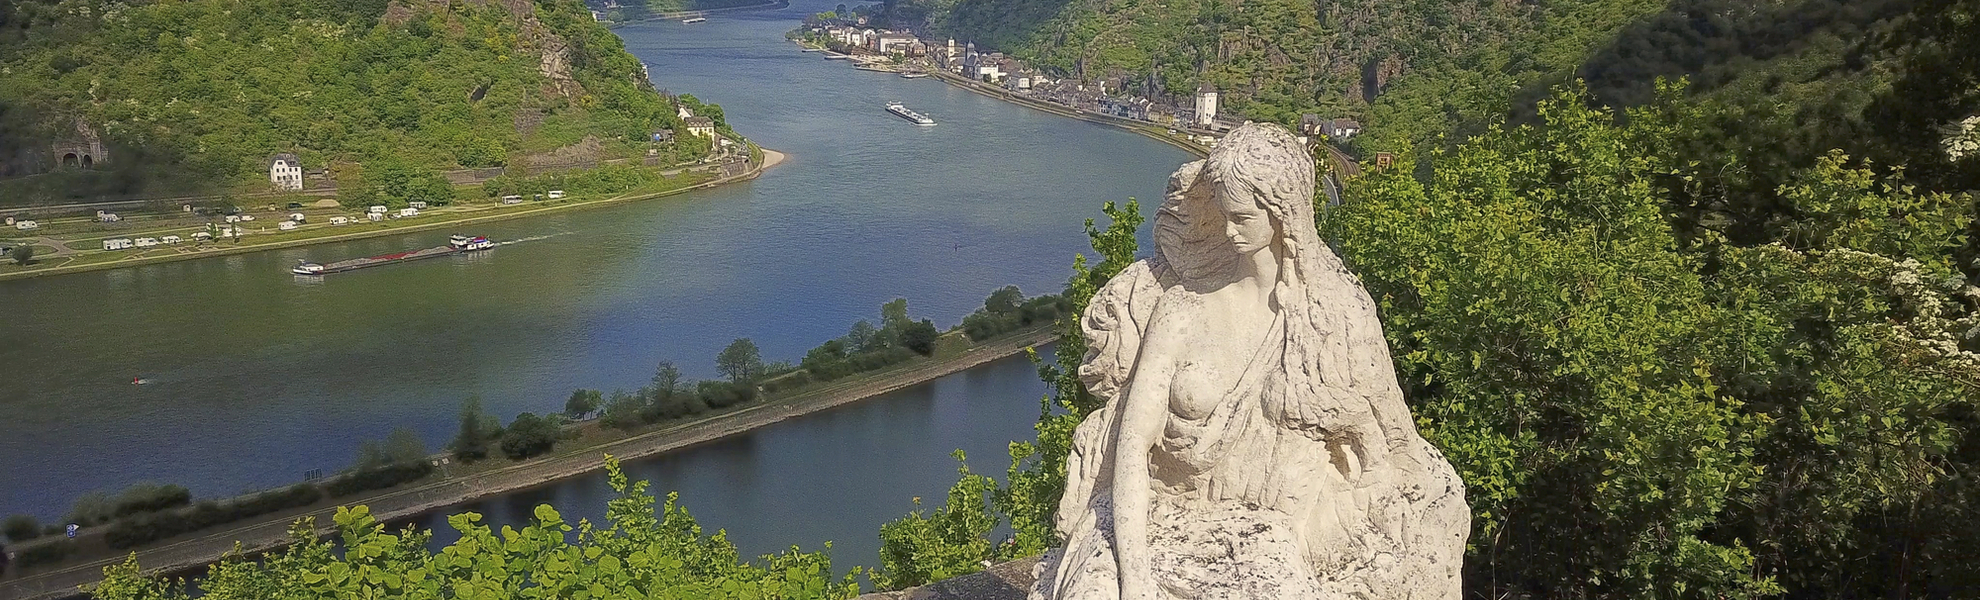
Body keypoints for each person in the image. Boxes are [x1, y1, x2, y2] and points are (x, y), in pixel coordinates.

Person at [1033, 124, 1469, 599]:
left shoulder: (1335, 314)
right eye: (1222, 214)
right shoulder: (1183, 307)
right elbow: (1133, 448)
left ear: (1284, 213)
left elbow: (1396, 439)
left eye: (1241, 217)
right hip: (1153, 518)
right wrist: (1135, 576)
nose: (1226, 230)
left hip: (1259, 544)